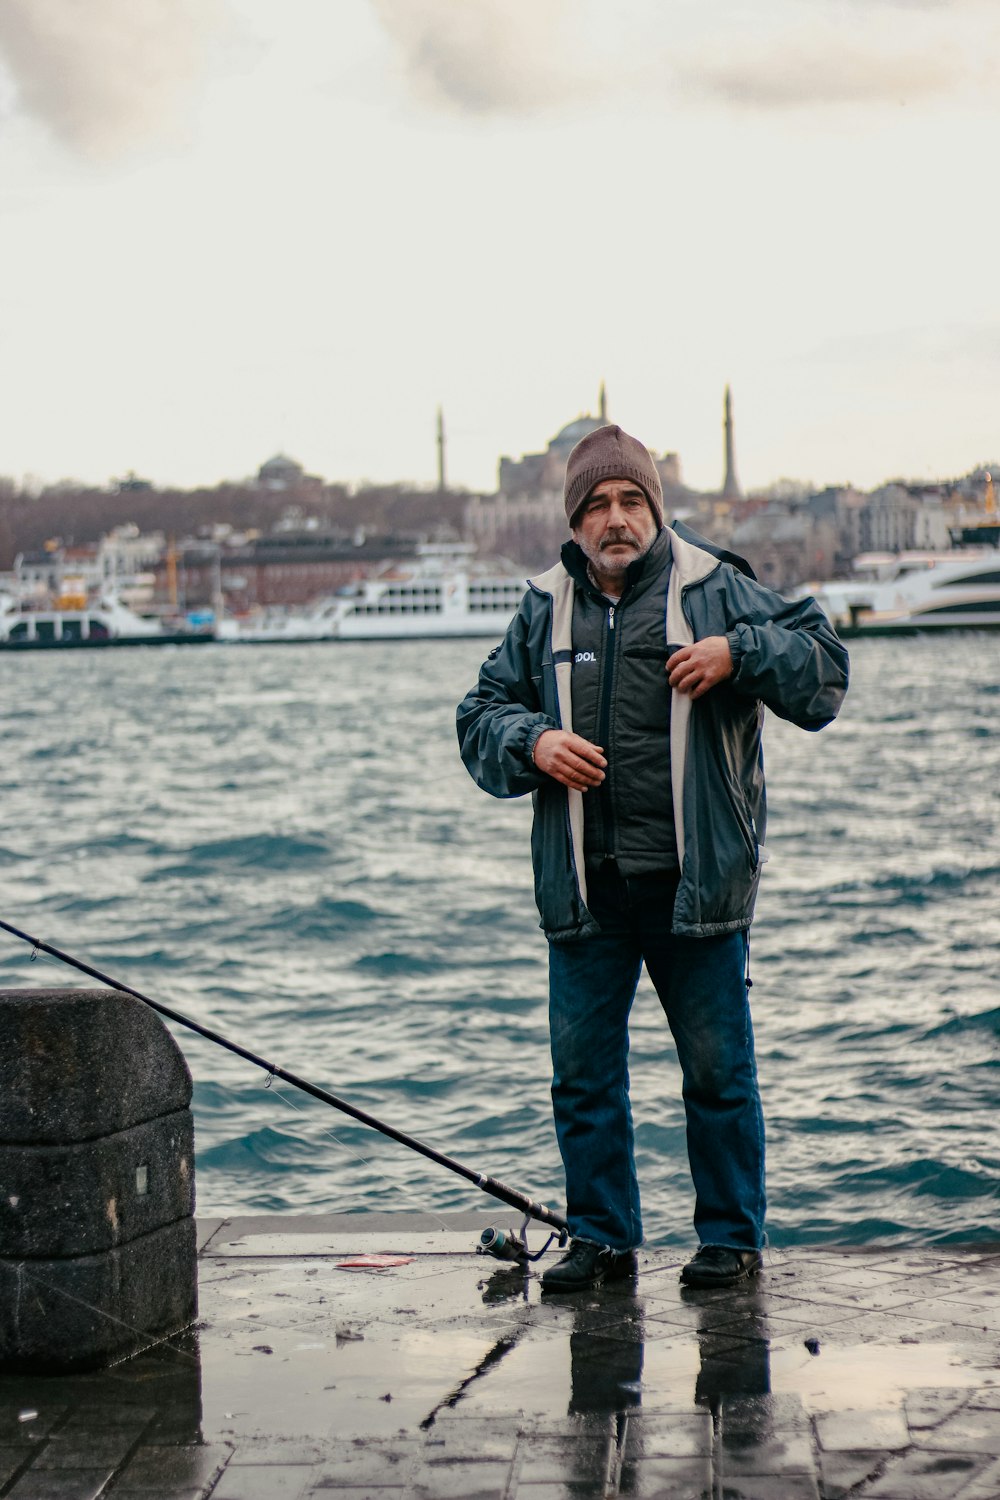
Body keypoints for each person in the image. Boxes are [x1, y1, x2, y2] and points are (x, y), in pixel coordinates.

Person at [456, 424, 849, 1291]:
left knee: (717, 1075)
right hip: (587, 894)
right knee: (584, 1081)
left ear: (655, 509)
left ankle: (732, 1243)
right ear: (574, 521)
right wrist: (533, 743)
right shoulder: (541, 607)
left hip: (695, 889)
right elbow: (476, 718)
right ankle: (601, 1239)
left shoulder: (716, 589)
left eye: (631, 500)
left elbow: (825, 672)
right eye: (597, 505)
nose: (616, 518)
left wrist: (739, 653)